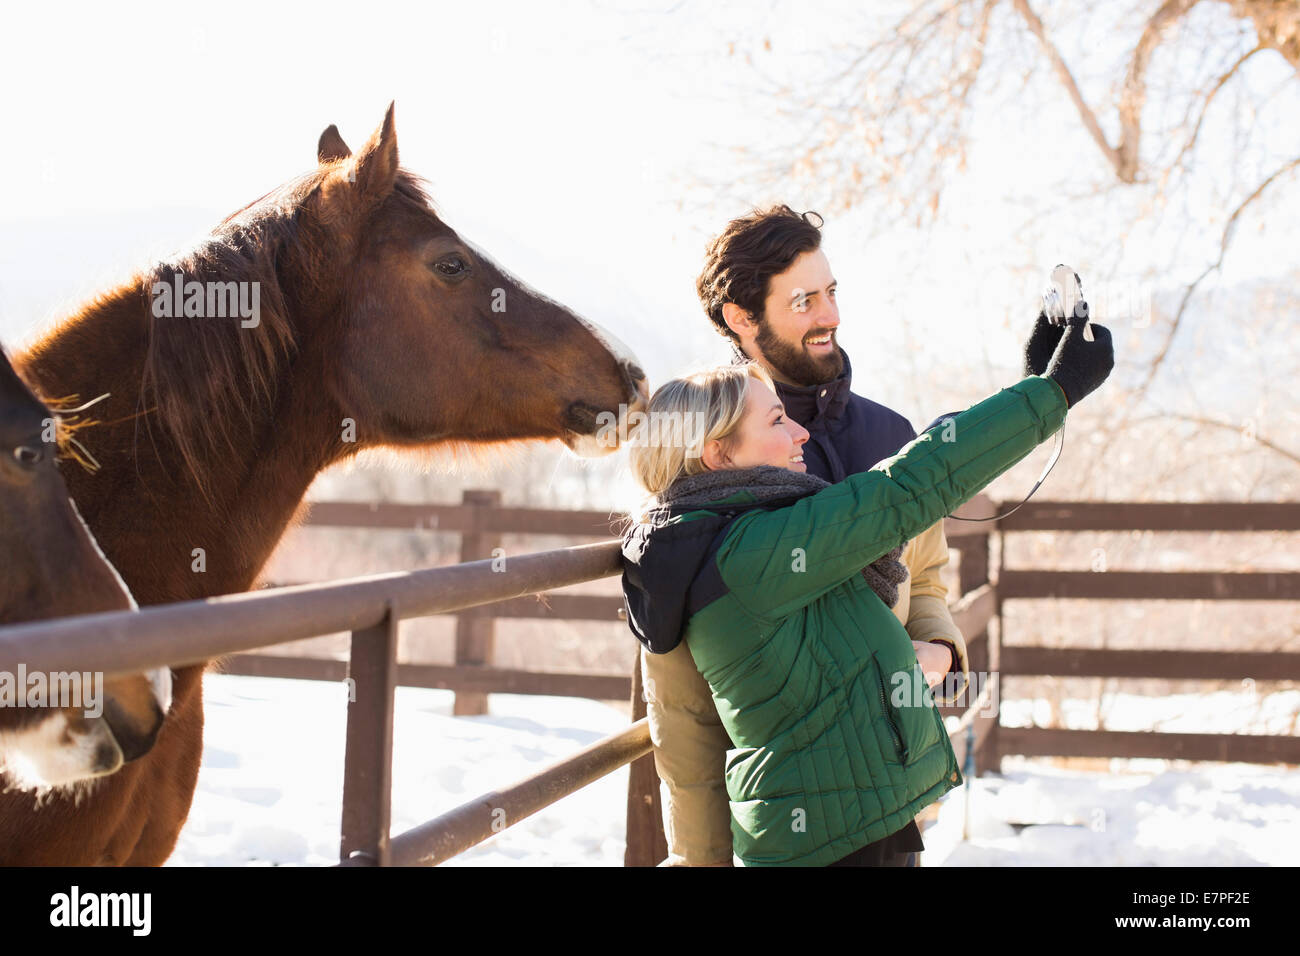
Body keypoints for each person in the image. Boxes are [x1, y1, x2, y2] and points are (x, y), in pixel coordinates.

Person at [619, 292, 1113, 866]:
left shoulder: (721, 541)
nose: (801, 433)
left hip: (850, 821)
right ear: (717, 454)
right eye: (777, 420)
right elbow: (905, 487)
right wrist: (1050, 394)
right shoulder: (753, 552)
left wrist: (1031, 384)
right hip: (831, 844)